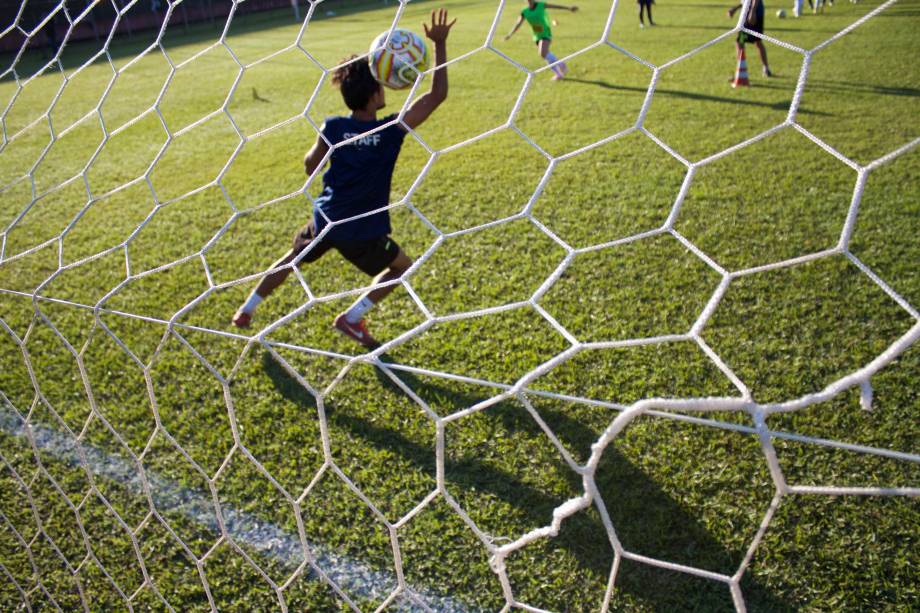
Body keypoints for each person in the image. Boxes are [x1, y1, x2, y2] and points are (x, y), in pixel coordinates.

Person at [231, 9, 456, 349]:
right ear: (373, 95)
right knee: (401, 268)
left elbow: (310, 166)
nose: (384, 89)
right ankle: (351, 318)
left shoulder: (334, 127)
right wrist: (439, 44)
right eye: (379, 86)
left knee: (289, 260)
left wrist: (330, 149)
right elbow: (436, 96)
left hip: (325, 219)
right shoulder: (388, 130)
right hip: (362, 230)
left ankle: (246, 310)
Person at [504, 1, 579, 81]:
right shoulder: (524, 11)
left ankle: (562, 65)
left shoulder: (541, 5)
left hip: (545, 33)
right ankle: (559, 74)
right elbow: (518, 24)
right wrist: (510, 34)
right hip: (536, 35)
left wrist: (568, 8)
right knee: (546, 55)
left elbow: (556, 6)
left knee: (542, 53)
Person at [728, 0, 772, 77]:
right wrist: (735, 8)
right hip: (750, 13)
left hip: (753, 14)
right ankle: (764, 68)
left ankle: (741, 69)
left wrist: (752, 11)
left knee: (748, 41)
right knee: (747, 41)